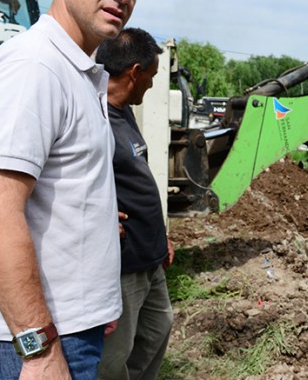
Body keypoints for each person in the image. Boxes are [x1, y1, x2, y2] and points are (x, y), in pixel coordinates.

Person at [0, 0, 140, 379]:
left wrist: (94, 305)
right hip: (31, 343)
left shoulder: (77, 71)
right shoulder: (33, 66)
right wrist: (38, 350)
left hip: (69, 327)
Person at [94, 28, 174, 380]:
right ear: (134, 72)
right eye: (152, 76)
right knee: (115, 356)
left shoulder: (123, 111)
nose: (153, 85)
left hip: (150, 255)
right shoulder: (91, 117)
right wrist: (99, 211)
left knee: (159, 328)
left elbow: (135, 177)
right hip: (123, 262)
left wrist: (161, 239)